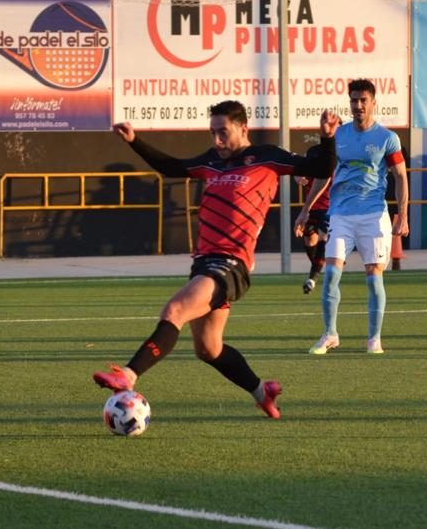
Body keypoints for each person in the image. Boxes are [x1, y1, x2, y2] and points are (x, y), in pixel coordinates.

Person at [93, 101, 339, 417]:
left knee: (175, 310)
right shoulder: (211, 161)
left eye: (223, 132)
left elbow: (320, 169)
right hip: (204, 262)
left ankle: (128, 375)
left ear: (243, 129)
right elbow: (172, 167)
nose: (217, 140)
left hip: (231, 264)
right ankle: (262, 391)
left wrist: (327, 139)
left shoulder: (266, 157)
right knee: (208, 348)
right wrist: (134, 141)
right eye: (213, 133)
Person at [301, 78, 409, 355]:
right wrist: (305, 209)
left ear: (373, 102)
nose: (358, 105)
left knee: (374, 276)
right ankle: (330, 334)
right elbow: (323, 175)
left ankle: (374, 339)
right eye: (353, 100)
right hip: (340, 215)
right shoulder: (339, 135)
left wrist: (403, 215)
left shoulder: (387, 138)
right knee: (331, 274)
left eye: (363, 100)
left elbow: (400, 176)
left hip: (373, 215)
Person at [294, 172, 331, 294]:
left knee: (323, 238)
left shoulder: (336, 163)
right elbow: (298, 169)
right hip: (311, 208)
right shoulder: (313, 161)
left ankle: (312, 279)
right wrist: (297, 176)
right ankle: (320, 265)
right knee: (309, 241)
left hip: (329, 208)